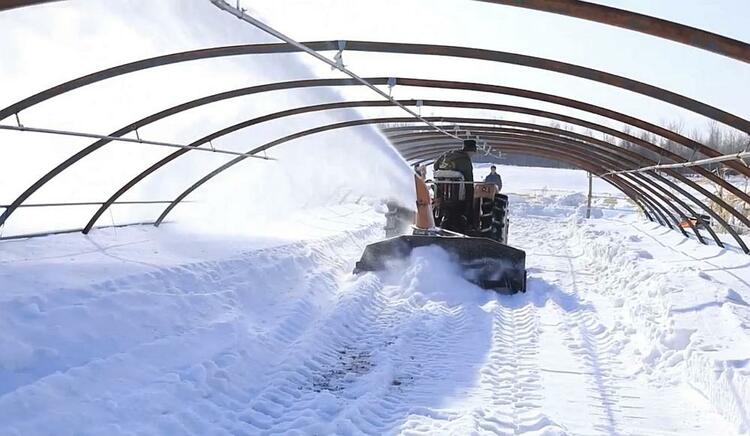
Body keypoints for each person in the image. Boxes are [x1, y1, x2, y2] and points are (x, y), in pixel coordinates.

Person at [432, 139, 477, 231]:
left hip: (441, 195)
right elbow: (469, 180)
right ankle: (469, 224)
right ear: (471, 151)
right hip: (458, 199)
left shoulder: (446, 155)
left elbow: (435, 166)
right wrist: (470, 201)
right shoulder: (465, 160)